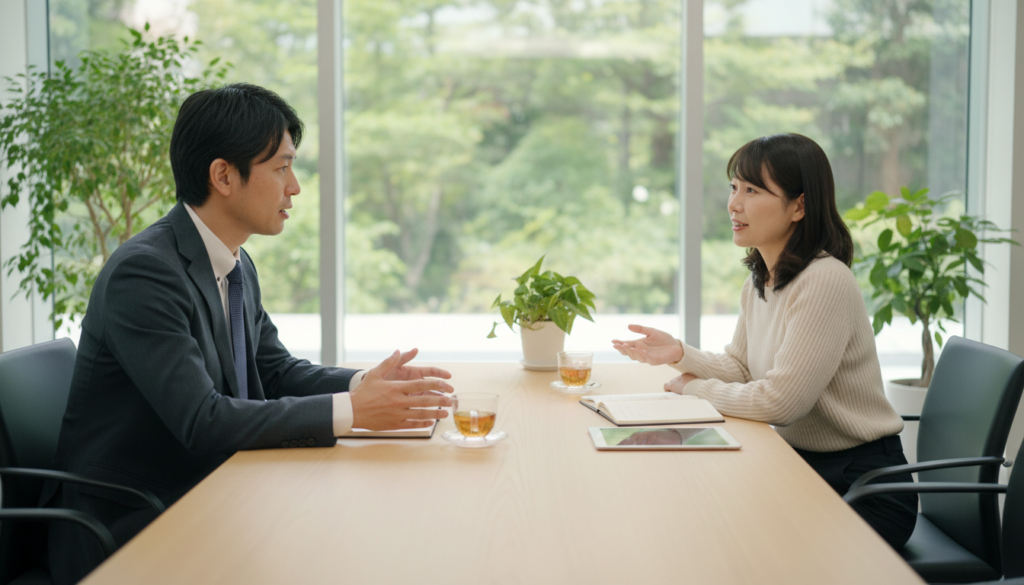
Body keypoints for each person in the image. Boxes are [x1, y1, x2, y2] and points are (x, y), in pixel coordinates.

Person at [41, 83, 455, 584]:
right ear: (223, 176)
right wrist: (353, 412)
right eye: (281, 167)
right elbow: (203, 420)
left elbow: (273, 370)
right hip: (133, 524)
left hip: (215, 494)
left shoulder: (234, 261)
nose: (295, 186)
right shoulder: (145, 274)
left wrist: (362, 385)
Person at [611, 133, 917, 549]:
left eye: (752, 190)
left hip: (862, 487)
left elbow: (781, 404)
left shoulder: (824, 281)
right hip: (803, 466)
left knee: (741, 546)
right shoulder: (763, 280)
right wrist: (682, 354)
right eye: (734, 187)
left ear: (799, 205)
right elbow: (742, 368)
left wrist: (695, 389)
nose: (734, 204)